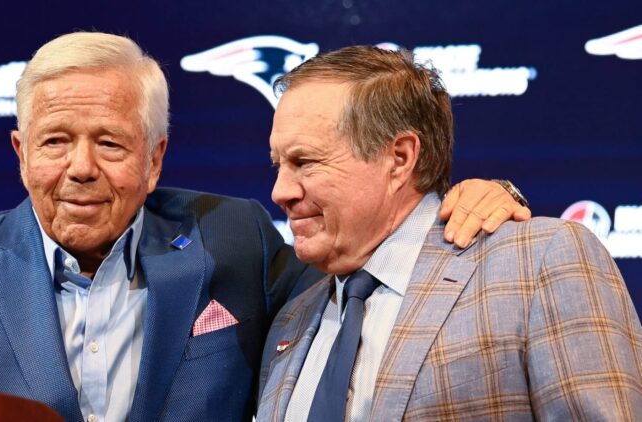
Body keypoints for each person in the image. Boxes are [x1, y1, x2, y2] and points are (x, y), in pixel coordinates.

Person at [0, 33, 527, 421]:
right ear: (20, 153)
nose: (80, 169)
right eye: (55, 141)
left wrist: (468, 196)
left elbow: (372, 267)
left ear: (155, 158)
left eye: (110, 143)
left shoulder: (236, 237)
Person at [257, 46, 642, 421]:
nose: (280, 191)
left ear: (400, 158)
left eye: (304, 161)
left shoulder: (539, 262)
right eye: (278, 165)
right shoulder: (291, 319)